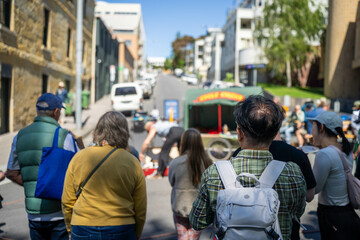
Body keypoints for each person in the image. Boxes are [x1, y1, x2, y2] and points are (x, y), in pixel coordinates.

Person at [189, 96, 306, 239]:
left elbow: (197, 222)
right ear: (275, 131)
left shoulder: (214, 173)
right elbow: (298, 212)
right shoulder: (292, 173)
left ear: (239, 133)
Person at [62, 111, 147, 240]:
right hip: (121, 227)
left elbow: (67, 201)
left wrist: (71, 230)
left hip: (82, 227)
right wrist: (136, 233)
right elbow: (140, 207)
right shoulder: (132, 162)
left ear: (98, 130)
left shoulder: (79, 158)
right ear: (125, 132)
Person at [5, 93, 78, 240]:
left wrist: (37, 188)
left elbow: (11, 172)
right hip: (58, 213)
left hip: (34, 215)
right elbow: (78, 173)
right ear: (56, 112)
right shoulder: (64, 136)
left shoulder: (19, 136)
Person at [232, 130, 316, 240]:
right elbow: (309, 196)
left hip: (246, 232)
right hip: (287, 232)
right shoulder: (298, 155)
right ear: (279, 124)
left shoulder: (237, 154)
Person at [309, 111, 360, 240]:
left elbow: (314, 189)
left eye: (313, 126)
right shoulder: (345, 149)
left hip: (331, 215)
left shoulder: (325, 154)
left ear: (321, 128)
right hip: (346, 213)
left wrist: (301, 163)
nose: (311, 131)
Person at [168, 129, 212, 240]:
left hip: (180, 206)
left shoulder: (175, 162)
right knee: (193, 238)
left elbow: (171, 182)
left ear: (183, 143)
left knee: (182, 237)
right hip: (200, 210)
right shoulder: (207, 162)